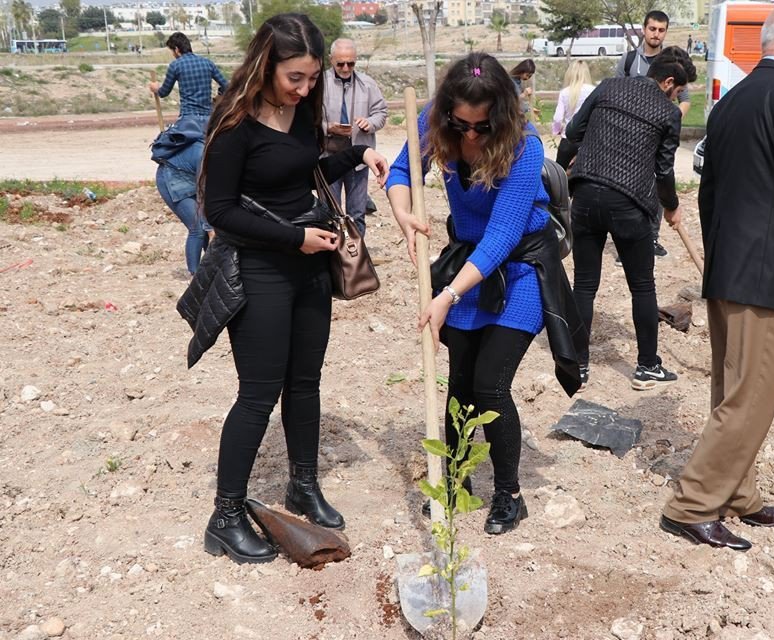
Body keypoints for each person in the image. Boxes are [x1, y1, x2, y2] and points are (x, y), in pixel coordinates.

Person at [196, 13, 390, 564]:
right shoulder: (235, 125)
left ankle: (303, 485)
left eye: (313, 79)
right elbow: (221, 211)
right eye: (295, 79)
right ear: (266, 66)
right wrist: (292, 237)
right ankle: (226, 515)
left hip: (310, 267)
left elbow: (304, 169)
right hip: (259, 269)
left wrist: (358, 153)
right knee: (258, 394)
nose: (307, 89)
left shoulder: (303, 113)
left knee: (305, 384)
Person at [660, 0, 774, 551]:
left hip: (728, 268)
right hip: (766, 274)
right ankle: (692, 504)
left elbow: (713, 190)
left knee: (731, 390)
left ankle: (739, 494)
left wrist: (716, 260)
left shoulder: (733, 99)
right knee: (752, 396)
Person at [387, 52, 583, 536]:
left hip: (518, 271)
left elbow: (502, 234)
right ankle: (455, 481)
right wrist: (405, 216)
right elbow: (399, 172)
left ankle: (509, 496)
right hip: (467, 266)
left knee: (491, 385)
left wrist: (446, 296)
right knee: (460, 385)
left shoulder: (525, 146)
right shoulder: (435, 120)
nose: (471, 136)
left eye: (482, 126)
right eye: (462, 125)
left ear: (500, 115)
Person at [565, 47, 695, 392]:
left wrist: (562, 175)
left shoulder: (608, 86)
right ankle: (647, 366)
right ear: (669, 82)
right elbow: (663, 170)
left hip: (587, 195)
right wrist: (672, 206)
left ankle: (577, 366)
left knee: (584, 285)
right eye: (679, 90)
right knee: (642, 286)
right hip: (629, 203)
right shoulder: (668, 113)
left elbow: (573, 133)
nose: (678, 96)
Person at [615, 11, 688, 258]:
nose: (656, 34)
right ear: (644, 29)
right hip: (628, 135)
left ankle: (651, 238)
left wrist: (670, 119)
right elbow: (617, 91)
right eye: (653, 29)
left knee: (658, 181)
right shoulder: (629, 61)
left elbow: (685, 100)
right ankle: (624, 240)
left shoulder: (674, 63)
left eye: (661, 30)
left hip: (657, 134)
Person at [322, 38, 388, 237]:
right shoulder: (319, 84)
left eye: (350, 63)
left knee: (357, 213)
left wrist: (370, 123)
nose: (345, 68)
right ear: (330, 59)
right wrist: (328, 127)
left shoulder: (367, 84)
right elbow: (307, 118)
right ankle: (331, 258)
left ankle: (357, 260)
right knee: (328, 213)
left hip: (358, 160)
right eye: (340, 63)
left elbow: (381, 113)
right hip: (328, 157)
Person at [153, 119, 212, 275]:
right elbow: (204, 193)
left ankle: (211, 270)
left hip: (187, 175)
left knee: (207, 228)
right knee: (198, 228)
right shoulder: (205, 155)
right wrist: (211, 228)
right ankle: (195, 275)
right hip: (170, 177)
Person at [148, 32, 228, 120]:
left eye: (172, 51)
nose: (173, 55)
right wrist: (219, 94)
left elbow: (164, 93)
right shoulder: (208, 63)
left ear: (177, 49)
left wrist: (156, 88)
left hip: (187, 117)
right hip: (207, 117)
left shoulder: (175, 65)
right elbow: (227, 86)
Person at [552, 60, 595, 170]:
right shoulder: (593, 91)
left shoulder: (564, 92)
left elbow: (557, 118)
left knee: (560, 175)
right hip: (587, 141)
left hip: (567, 140)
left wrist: (557, 130)